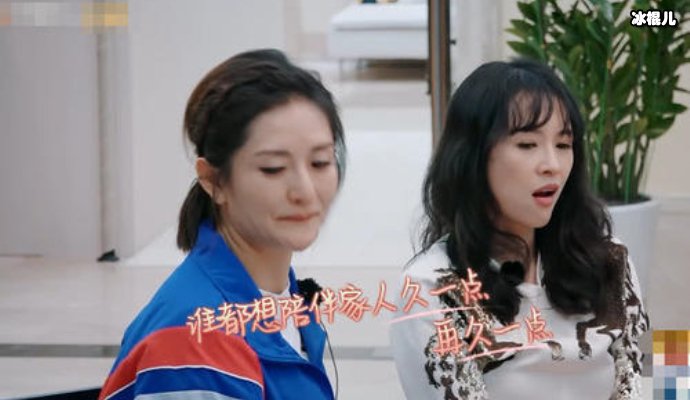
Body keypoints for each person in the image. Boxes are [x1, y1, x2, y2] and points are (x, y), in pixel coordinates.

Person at [389, 59, 649, 399]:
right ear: (473, 157)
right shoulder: (434, 288)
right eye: (527, 145)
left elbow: (632, 386)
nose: (552, 165)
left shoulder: (609, 262)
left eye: (563, 145)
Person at [99, 49, 345, 400]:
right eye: (273, 168)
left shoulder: (282, 298)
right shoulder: (197, 343)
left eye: (320, 162)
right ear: (213, 179)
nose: (305, 192)